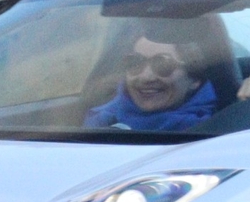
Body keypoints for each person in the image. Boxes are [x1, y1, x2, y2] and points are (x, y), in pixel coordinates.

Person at [86, 21, 228, 131]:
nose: (146, 77)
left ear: (194, 79)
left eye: (163, 65)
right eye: (135, 63)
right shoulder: (101, 120)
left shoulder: (218, 130)